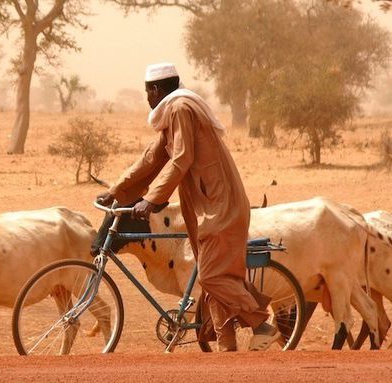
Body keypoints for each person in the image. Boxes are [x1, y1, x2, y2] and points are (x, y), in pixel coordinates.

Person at [96, 62, 278, 351]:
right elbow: (151, 159)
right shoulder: (175, 114)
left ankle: (261, 323)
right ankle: (227, 346)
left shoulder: (181, 109)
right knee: (213, 279)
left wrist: (151, 199)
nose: (147, 99)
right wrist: (116, 190)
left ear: (156, 90)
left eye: (147, 92)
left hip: (220, 206)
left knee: (211, 276)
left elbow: (181, 158)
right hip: (203, 207)